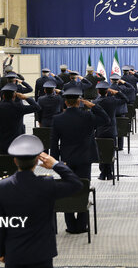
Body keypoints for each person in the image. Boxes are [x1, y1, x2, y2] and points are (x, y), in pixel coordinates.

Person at [0, 135, 82, 268]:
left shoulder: (1, 187)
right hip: (42, 253)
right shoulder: (47, 185)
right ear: (37, 162)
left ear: (15, 161)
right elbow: (76, 184)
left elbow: (0, 225)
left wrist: (0, 250)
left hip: (15, 253)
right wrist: (56, 164)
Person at [50, 87, 109, 233]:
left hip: (66, 160)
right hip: (84, 159)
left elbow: (54, 142)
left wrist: (55, 162)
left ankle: (70, 225)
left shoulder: (58, 119)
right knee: (83, 189)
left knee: (66, 190)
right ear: (79, 101)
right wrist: (94, 106)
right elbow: (106, 120)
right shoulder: (87, 116)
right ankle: (82, 225)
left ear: (65, 102)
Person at [0, 83, 41, 156]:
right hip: (18, 141)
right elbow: (37, 107)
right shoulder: (19, 107)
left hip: (3, 141)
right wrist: (26, 98)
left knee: (4, 164)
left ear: (3, 96)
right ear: (14, 96)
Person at [93, 81, 128, 180]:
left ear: (99, 91)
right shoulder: (112, 100)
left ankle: (102, 173)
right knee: (110, 152)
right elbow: (126, 99)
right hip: (111, 130)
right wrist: (116, 92)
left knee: (101, 152)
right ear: (107, 91)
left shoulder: (95, 102)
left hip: (100, 131)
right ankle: (109, 173)